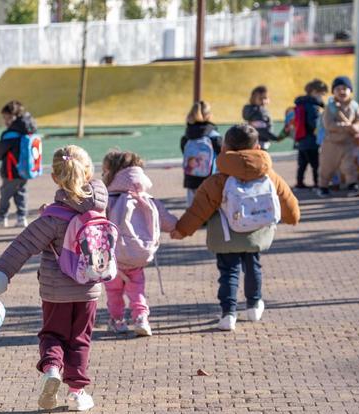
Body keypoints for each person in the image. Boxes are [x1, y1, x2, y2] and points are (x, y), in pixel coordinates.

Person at [0, 145, 107, 413]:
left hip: (55, 290)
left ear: (55, 177)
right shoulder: (102, 208)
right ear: (89, 172)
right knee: (80, 338)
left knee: (52, 334)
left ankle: (52, 368)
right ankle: (78, 392)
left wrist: (0, 274)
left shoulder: (52, 218)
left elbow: (22, 246)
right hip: (90, 286)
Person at [171, 124, 301, 332]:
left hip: (226, 236)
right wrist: (292, 217)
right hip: (256, 233)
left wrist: (182, 230)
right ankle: (253, 305)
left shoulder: (218, 180)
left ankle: (228, 313)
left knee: (229, 273)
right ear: (257, 146)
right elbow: (287, 199)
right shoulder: (269, 175)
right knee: (253, 267)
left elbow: (199, 209)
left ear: (224, 149)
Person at [100, 150, 177, 337]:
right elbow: (169, 222)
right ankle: (141, 317)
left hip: (114, 259)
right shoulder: (148, 200)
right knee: (137, 290)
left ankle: (117, 321)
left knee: (114, 292)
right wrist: (179, 229)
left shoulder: (107, 200)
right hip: (138, 257)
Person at [0, 100, 38, 228]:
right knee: (21, 192)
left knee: (5, 194)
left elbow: (0, 153)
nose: (5, 121)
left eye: (7, 118)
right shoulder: (28, 131)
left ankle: (2, 216)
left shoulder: (10, 135)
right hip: (25, 170)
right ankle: (21, 217)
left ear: (14, 117)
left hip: (10, 170)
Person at [318, 75, 359, 196]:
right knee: (327, 166)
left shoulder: (354, 106)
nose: (342, 91)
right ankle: (323, 186)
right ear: (333, 92)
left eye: (345, 88)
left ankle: (352, 185)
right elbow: (328, 124)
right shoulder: (331, 107)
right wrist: (344, 126)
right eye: (338, 89)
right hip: (331, 143)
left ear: (350, 91)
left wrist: (356, 127)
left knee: (349, 165)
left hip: (347, 142)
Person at [181, 100, 222, 204]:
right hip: (210, 179)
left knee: (192, 210)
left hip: (191, 179)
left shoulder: (186, 137)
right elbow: (222, 156)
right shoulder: (214, 137)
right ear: (209, 115)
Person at [291, 79, 328, 189]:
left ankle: (299, 182)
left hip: (301, 140)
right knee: (315, 164)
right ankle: (318, 183)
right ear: (314, 92)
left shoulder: (301, 104)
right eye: (321, 94)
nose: (322, 97)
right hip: (311, 140)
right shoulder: (313, 107)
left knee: (302, 164)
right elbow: (314, 124)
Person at [243, 85, 286, 151]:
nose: (263, 101)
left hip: (257, 142)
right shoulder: (259, 112)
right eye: (260, 98)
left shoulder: (257, 110)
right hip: (259, 143)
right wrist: (275, 138)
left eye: (265, 98)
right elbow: (262, 130)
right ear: (253, 98)